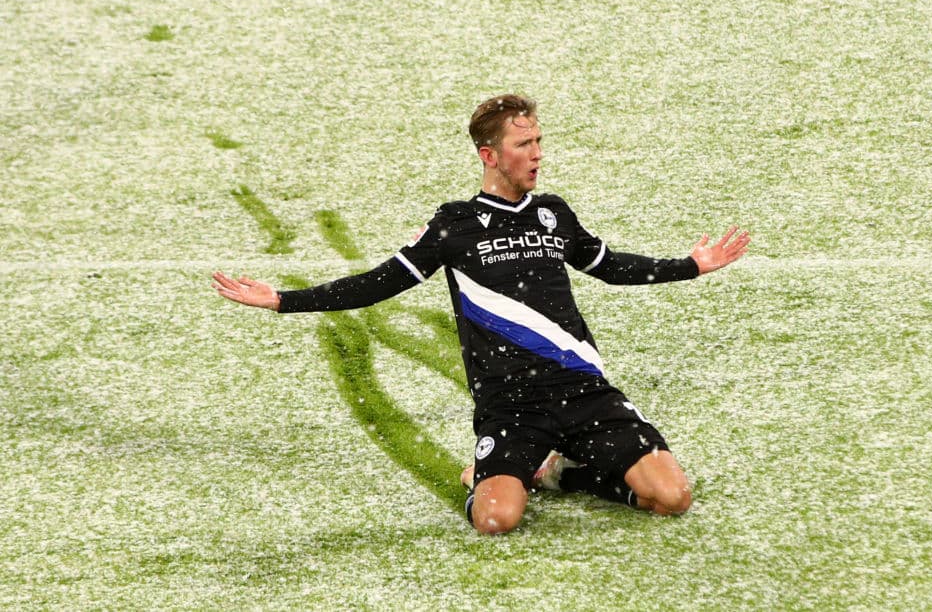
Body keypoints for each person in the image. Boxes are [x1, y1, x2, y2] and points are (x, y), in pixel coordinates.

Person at [213, 94, 749, 535]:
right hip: (511, 406)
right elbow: (380, 282)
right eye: (524, 144)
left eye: (539, 141)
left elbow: (608, 266)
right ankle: (493, 477)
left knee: (673, 497)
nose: (537, 154)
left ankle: (561, 474)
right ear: (490, 156)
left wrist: (691, 265)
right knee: (496, 521)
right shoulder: (455, 225)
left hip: (585, 390)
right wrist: (284, 300)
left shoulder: (552, 212)